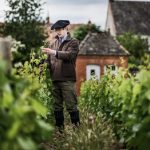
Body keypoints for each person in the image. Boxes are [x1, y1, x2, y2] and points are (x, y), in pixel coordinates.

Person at [42, 20, 80, 131]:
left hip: (67, 79)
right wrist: (43, 66)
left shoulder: (73, 42)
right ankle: (60, 130)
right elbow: (49, 61)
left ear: (66, 29)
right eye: (56, 30)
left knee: (71, 105)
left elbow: (69, 56)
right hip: (55, 78)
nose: (57, 32)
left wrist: (54, 52)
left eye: (59, 30)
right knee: (57, 106)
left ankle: (77, 130)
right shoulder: (53, 43)